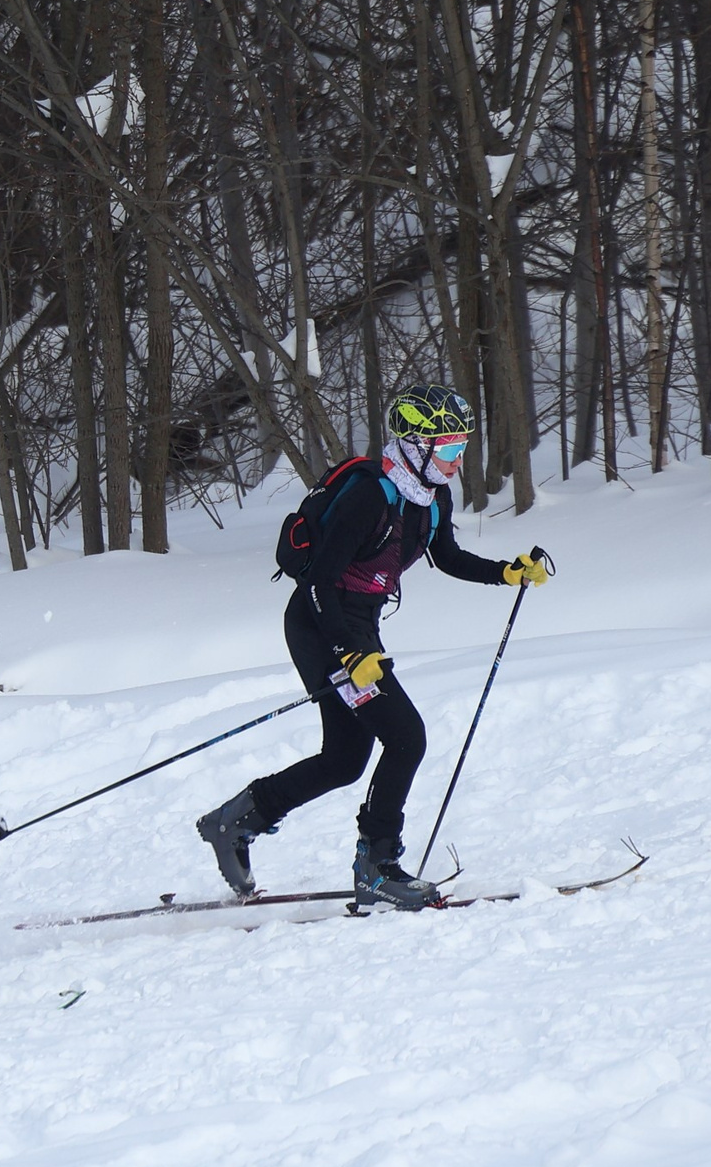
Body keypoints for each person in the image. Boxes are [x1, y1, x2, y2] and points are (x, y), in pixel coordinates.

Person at [196, 385, 553, 910]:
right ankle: (377, 867)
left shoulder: (430, 496)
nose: (457, 460)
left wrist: (506, 572)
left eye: (461, 448)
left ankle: (234, 821)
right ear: (414, 444)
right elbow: (317, 582)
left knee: (344, 759)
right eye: (448, 448)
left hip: (357, 625)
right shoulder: (370, 494)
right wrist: (349, 653)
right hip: (322, 623)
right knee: (406, 737)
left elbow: (447, 556)